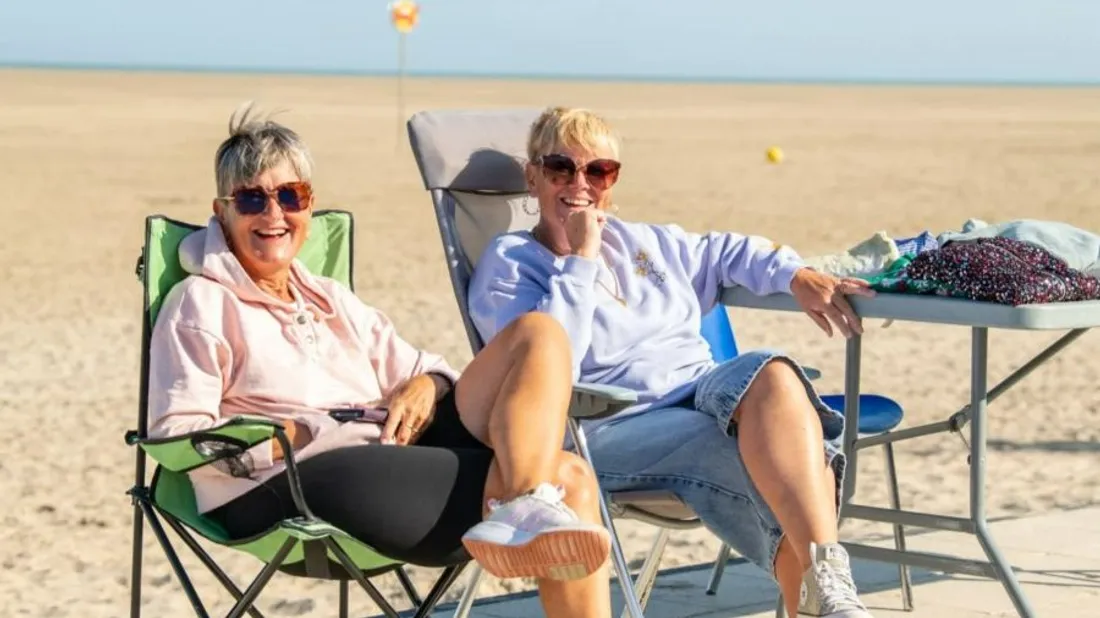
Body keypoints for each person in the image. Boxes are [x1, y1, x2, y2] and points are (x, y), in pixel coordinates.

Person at [147, 104, 614, 618]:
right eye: (252, 198)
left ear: (309, 204)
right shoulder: (200, 302)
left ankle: (526, 499)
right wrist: (289, 436)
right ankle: (525, 503)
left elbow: (424, 364)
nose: (274, 214)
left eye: (289, 196)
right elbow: (179, 432)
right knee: (568, 481)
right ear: (222, 211)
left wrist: (428, 383)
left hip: (383, 447)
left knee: (539, 335)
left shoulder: (328, 296)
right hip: (290, 481)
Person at [468, 106, 879, 618]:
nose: (580, 184)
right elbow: (549, 364)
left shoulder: (644, 243)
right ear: (533, 177)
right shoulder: (510, 265)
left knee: (774, 376)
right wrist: (580, 261)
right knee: (776, 460)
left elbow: (728, 252)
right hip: (608, 422)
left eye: (598, 171)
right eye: (560, 168)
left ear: (612, 183)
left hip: (700, 392)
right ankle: (824, 603)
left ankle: (827, 578)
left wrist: (796, 275)